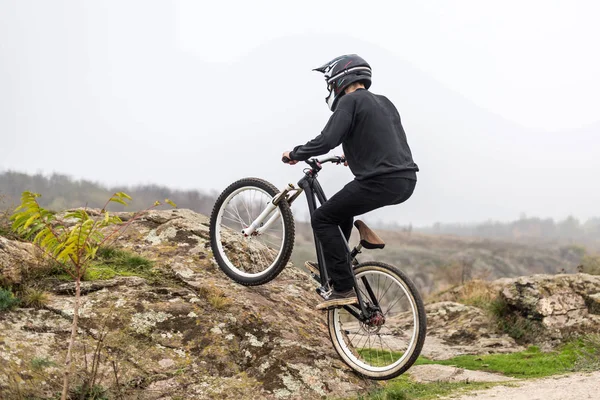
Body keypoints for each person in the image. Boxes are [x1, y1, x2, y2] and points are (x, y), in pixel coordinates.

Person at [282, 54, 419, 310]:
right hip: (406, 180)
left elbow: (326, 140)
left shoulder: (350, 101)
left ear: (339, 79)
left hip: (379, 180)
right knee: (340, 211)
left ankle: (343, 287)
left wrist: (296, 153)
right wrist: (353, 153)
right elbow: (386, 138)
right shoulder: (385, 103)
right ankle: (338, 266)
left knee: (322, 218)